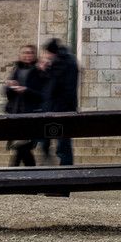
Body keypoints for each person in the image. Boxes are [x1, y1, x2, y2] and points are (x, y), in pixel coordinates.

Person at [5, 45, 47, 166]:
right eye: (25, 53)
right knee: (22, 148)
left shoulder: (39, 71)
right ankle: (27, 173)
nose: (27, 55)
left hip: (32, 114)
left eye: (30, 53)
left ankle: (13, 172)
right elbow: (7, 94)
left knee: (23, 147)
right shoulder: (16, 70)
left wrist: (26, 90)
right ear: (20, 55)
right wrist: (10, 86)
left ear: (34, 55)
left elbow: (43, 95)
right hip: (16, 114)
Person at [42, 38, 79, 166]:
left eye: (47, 53)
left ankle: (65, 169)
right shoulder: (70, 60)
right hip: (66, 108)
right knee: (63, 143)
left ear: (51, 52)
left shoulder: (59, 63)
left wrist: (46, 69)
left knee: (62, 144)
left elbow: (53, 87)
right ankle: (64, 167)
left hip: (58, 110)